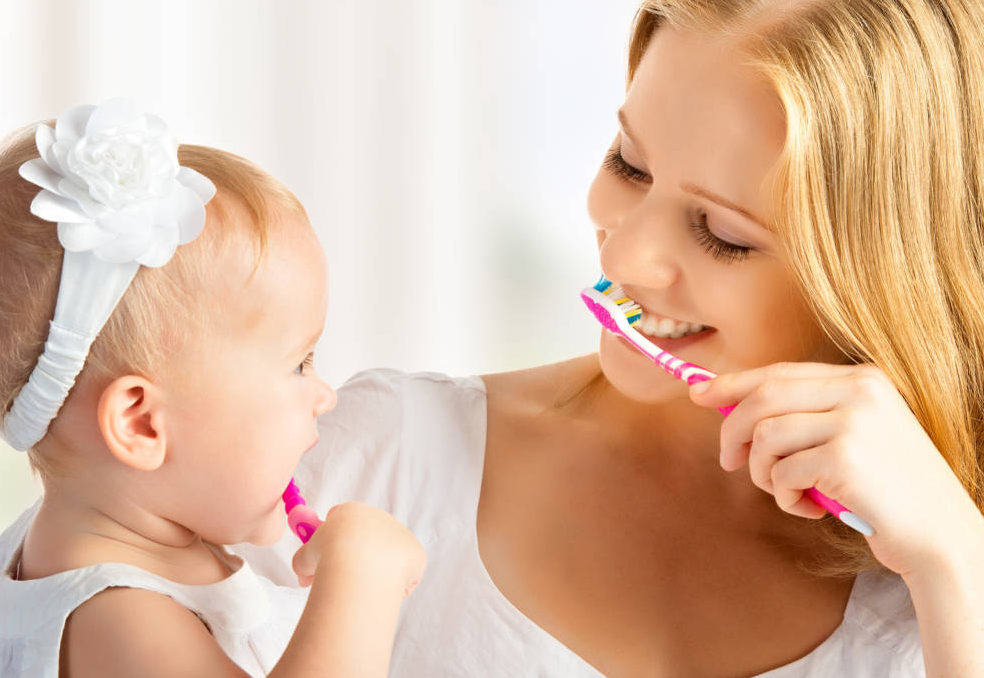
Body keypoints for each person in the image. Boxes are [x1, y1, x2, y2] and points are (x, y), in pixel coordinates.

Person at [233, 1, 984, 676]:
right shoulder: (372, 461)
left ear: (885, 280)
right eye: (628, 163)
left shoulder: (933, 573)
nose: (624, 258)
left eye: (723, 235)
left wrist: (957, 561)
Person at [0, 100, 426, 677]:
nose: (324, 395)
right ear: (142, 423)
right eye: (299, 364)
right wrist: (361, 580)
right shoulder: (120, 622)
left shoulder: (64, 538)